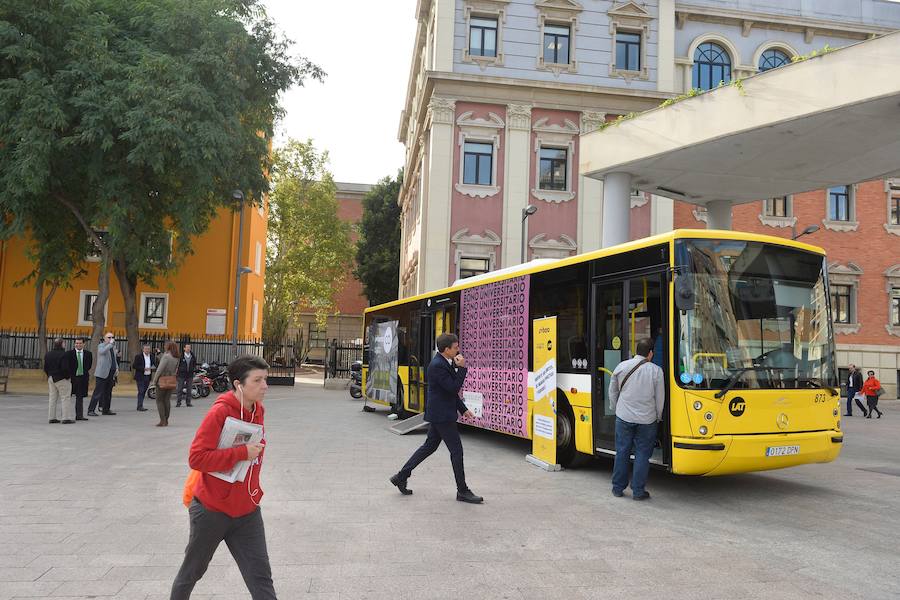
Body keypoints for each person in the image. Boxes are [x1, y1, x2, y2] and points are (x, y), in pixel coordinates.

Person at [170, 354, 275, 599]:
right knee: (192, 572)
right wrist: (241, 453)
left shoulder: (258, 410)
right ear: (239, 385)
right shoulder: (219, 412)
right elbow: (197, 458)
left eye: (265, 379)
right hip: (211, 511)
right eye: (258, 381)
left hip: (247, 510)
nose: (264, 386)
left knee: (260, 576)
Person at [389, 333, 482, 504]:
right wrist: (462, 369)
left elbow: (449, 392)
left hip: (440, 413)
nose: (458, 349)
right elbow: (453, 388)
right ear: (447, 350)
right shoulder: (438, 365)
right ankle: (462, 491)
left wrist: (463, 409)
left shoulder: (444, 362)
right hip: (442, 416)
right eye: (456, 347)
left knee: (429, 447)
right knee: (456, 451)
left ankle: (401, 476)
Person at [609, 338, 665, 501]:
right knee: (642, 454)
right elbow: (659, 398)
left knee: (622, 451)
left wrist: (615, 408)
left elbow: (612, 391)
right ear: (650, 353)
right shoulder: (656, 371)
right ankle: (638, 491)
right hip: (646, 420)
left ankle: (618, 488)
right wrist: (658, 416)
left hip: (624, 416)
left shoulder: (621, 366)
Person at [88, 332, 118, 416]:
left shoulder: (113, 347)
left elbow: (114, 359)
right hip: (102, 373)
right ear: (105, 338)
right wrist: (110, 345)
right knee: (98, 392)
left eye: (112, 337)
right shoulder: (101, 346)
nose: (111, 338)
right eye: (109, 337)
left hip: (111, 373)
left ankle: (106, 409)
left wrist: (116, 368)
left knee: (108, 392)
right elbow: (102, 352)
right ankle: (91, 410)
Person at [151, 341, 180, 427]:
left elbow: (160, 369)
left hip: (162, 380)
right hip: (171, 380)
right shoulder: (176, 357)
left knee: (159, 400)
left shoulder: (166, 356)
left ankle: (162, 420)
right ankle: (166, 419)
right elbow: (175, 369)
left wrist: (155, 380)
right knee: (167, 400)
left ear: (168, 347)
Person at [44, 338, 73, 424]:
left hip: (51, 378)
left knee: (52, 398)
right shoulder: (63, 354)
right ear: (62, 344)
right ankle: (66, 417)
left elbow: (45, 367)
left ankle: (51, 417)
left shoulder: (48, 354)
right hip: (61, 378)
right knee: (65, 397)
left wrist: (49, 375)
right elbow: (65, 368)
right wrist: (67, 377)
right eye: (64, 343)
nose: (65, 344)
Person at [66, 337, 92, 421]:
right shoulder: (69, 354)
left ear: (83, 344)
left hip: (82, 378)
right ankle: (66, 416)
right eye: (76, 343)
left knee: (80, 397)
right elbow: (68, 366)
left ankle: (79, 415)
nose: (78, 345)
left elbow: (89, 366)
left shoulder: (88, 354)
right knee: (67, 397)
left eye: (80, 343)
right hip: (72, 378)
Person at [132, 343, 157, 412]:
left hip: (148, 376)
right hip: (140, 376)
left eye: (148, 349)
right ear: (143, 349)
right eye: (146, 349)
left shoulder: (151, 356)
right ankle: (139, 406)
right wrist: (143, 368)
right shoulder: (138, 356)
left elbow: (154, 364)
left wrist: (153, 367)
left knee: (144, 391)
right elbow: (134, 366)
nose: (147, 350)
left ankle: (141, 404)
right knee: (141, 390)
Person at [176, 343, 197, 408]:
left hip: (190, 375)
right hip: (181, 375)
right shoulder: (181, 356)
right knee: (180, 388)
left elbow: (194, 364)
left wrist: (193, 370)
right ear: (184, 348)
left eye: (189, 348)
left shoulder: (192, 356)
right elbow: (177, 364)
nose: (188, 349)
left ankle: (188, 402)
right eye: (187, 347)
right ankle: (178, 402)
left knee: (189, 389)